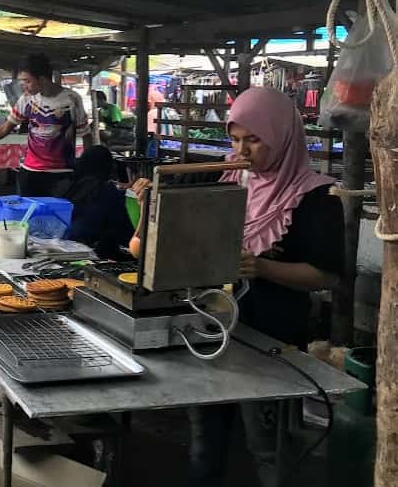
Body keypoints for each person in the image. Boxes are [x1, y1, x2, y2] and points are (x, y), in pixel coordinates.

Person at [134, 87, 343, 487]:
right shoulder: (227, 178)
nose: (242, 150)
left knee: (266, 444)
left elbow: (327, 275)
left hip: (271, 337)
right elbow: (177, 238)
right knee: (206, 436)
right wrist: (151, 207)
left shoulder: (317, 195)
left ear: (281, 136)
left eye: (254, 139)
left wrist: (263, 268)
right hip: (211, 331)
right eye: (235, 139)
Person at [0, 53, 91, 197]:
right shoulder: (27, 100)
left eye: (27, 81)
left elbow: (86, 134)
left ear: (42, 79)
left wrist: (87, 171)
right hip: (30, 172)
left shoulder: (71, 99)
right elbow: (4, 129)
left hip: (62, 174)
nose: (24, 87)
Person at [65, 145, 133, 257]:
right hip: (94, 248)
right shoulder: (105, 189)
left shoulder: (72, 185)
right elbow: (124, 229)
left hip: (67, 242)